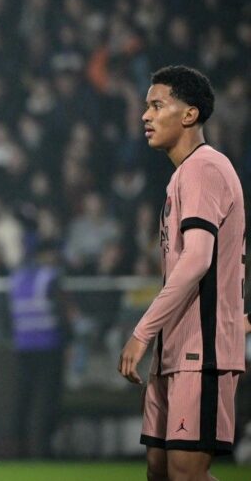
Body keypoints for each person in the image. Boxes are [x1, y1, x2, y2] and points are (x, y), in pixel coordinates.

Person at [118, 65, 246, 481]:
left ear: (189, 114)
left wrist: (142, 332)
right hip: (175, 349)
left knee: (185, 473)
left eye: (157, 105)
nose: (145, 116)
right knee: (160, 470)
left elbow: (197, 260)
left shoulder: (204, 168)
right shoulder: (183, 175)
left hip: (201, 349)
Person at [8, 239, 73, 458]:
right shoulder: (50, 279)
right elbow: (62, 314)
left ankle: (19, 449)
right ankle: (45, 450)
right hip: (49, 346)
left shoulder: (17, 279)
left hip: (23, 347)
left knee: (23, 400)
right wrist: (68, 341)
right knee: (48, 401)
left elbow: (8, 315)